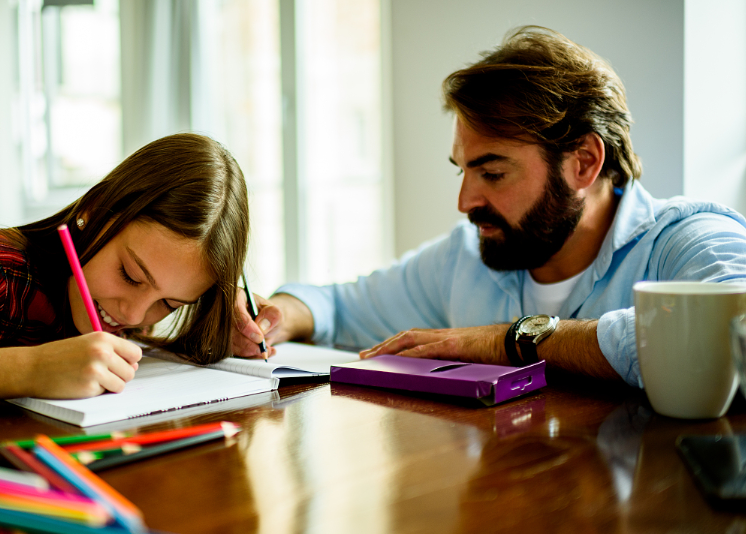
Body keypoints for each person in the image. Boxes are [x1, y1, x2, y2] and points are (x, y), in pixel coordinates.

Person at [231, 26, 746, 387]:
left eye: (493, 173)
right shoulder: (468, 257)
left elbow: (728, 335)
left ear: (585, 163)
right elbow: (340, 307)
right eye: (464, 169)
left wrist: (512, 342)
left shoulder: (688, 239)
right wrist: (278, 316)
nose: (465, 201)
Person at [0, 133, 250, 410]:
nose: (135, 316)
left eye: (168, 303)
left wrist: (219, 330)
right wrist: (33, 369)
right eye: (131, 276)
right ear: (97, 210)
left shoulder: (133, 310)